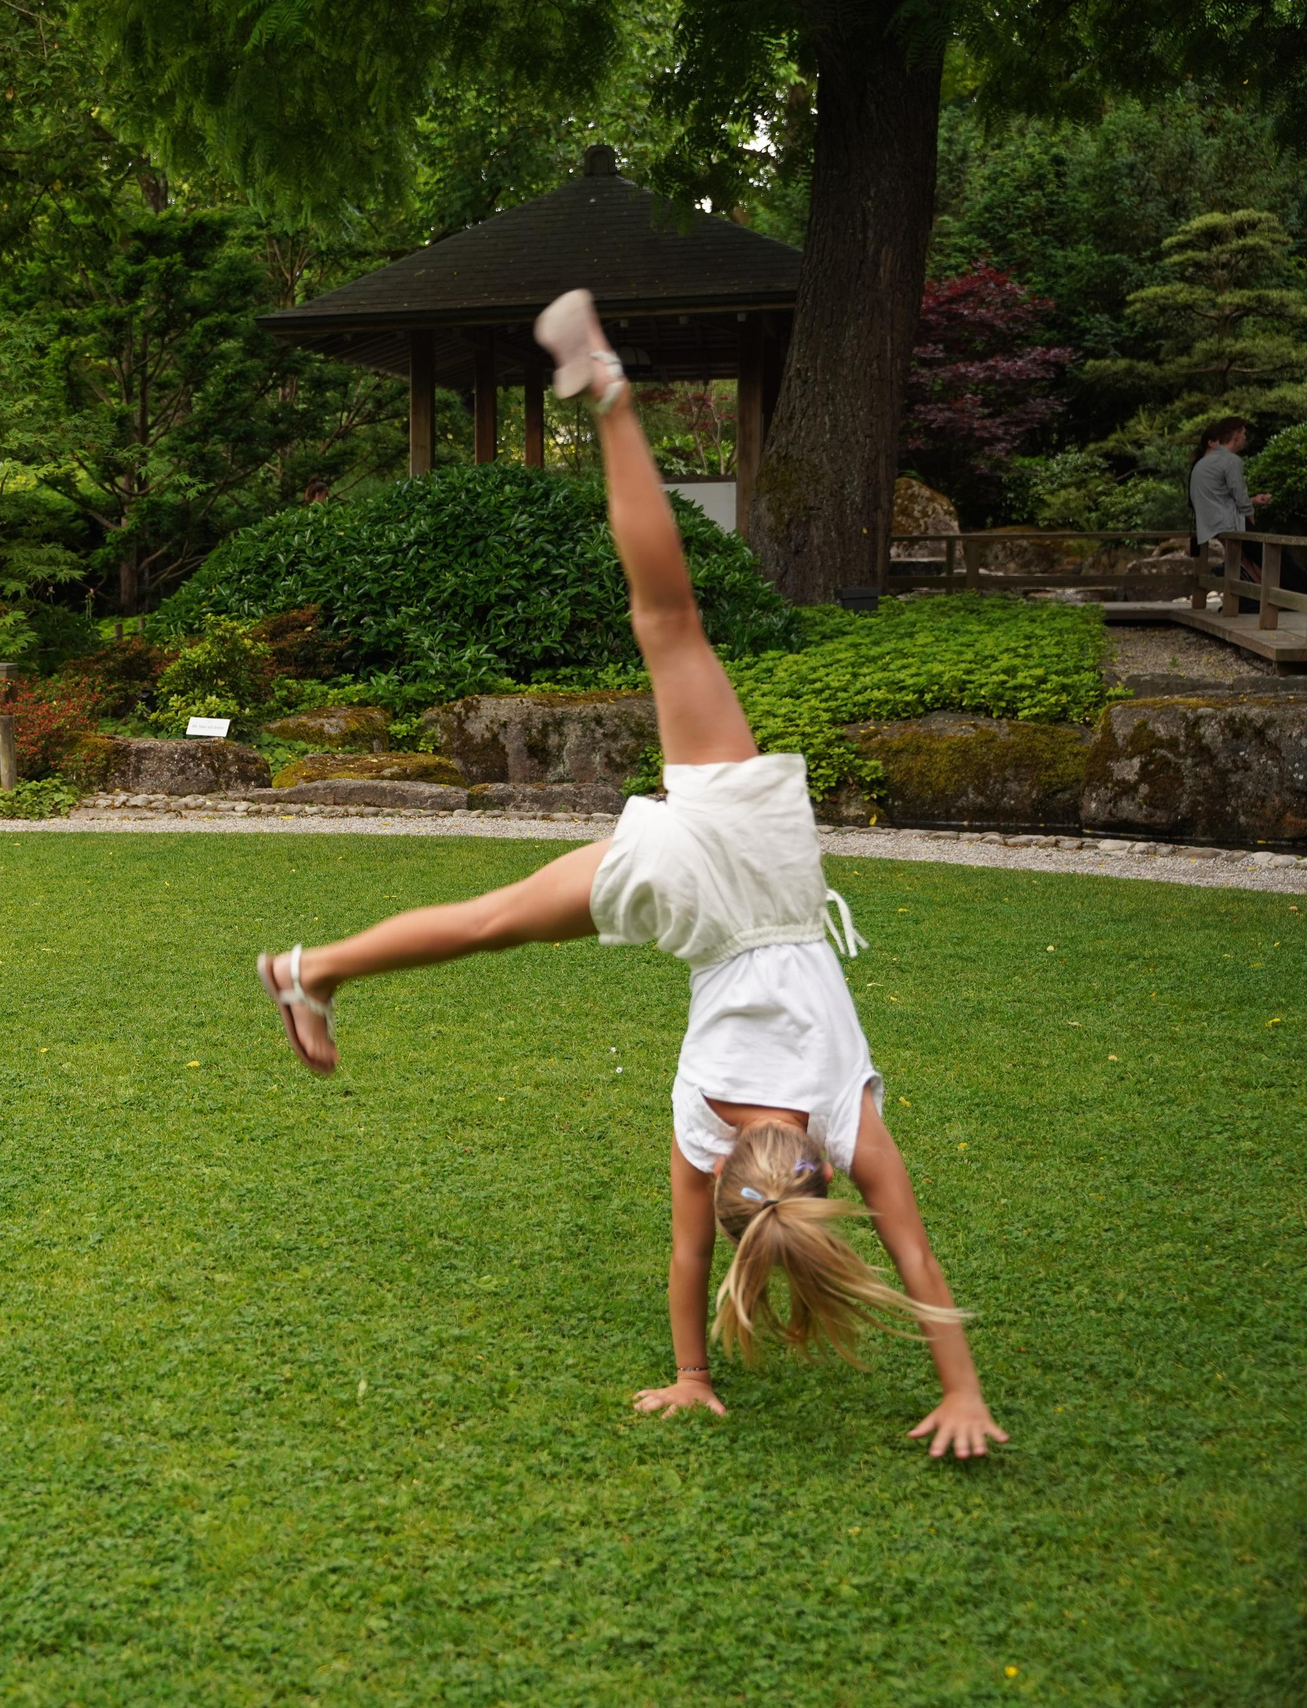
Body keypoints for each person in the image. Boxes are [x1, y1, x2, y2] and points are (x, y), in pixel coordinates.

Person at [253, 291, 1007, 1459]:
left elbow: (909, 1248)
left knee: (669, 618)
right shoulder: (708, 1122)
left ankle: (608, 394)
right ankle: (311, 969)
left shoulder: (840, 1120)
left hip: (759, 861)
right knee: (488, 920)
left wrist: (962, 1386)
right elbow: (693, 1249)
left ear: (807, 1178)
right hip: (693, 898)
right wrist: (693, 1374)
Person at [1191, 418, 1271, 612]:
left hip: (1211, 522)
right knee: (1259, 557)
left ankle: (1249, 598)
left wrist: (1251, 501)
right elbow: (1239, 496)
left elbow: (1220, 497)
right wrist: (1250, 516)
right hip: (1227, 521)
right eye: (1244, 434)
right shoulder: (1230, 460)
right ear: (1236, 436)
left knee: (1241, 559)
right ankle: (1262, 599)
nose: (1245, 438)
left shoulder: (1204, 462)